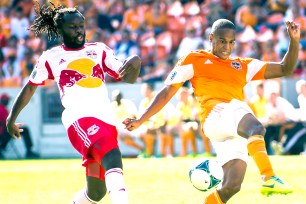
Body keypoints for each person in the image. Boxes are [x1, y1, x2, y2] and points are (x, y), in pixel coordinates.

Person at [124, 18, 300, 203]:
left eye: (231, 42)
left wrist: (294, 41)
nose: (227, 47)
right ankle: (269, 177)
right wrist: (141, 119)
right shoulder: (194, 59)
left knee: (232, 186)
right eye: (222, 41)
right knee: (255, 126)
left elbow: (284, 68)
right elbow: (167, 92)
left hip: (231, 127)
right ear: (211, 38)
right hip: (214, 116)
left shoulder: (243, 65)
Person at [6, 2, 141, 204]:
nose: (79, 30)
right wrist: (11, 118)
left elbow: (128, 77)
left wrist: (135, 62)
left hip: (106, 119)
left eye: (81, 25)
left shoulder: (99, 50)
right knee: (113, 156)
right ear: (60, 30)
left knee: (96, 192)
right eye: (72, 27)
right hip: (79, 119)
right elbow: (30, 87)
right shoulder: (51, 57)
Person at [0, 93, 39, 159]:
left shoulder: (2, 108)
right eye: (7, 100)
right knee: (25, 130)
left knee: (11, 132)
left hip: (4, 132)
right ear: (3, 101)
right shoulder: (3, 109)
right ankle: (29, 151)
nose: (8, 102)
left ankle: (2, 148)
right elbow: (7, 124)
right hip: (3, 132)